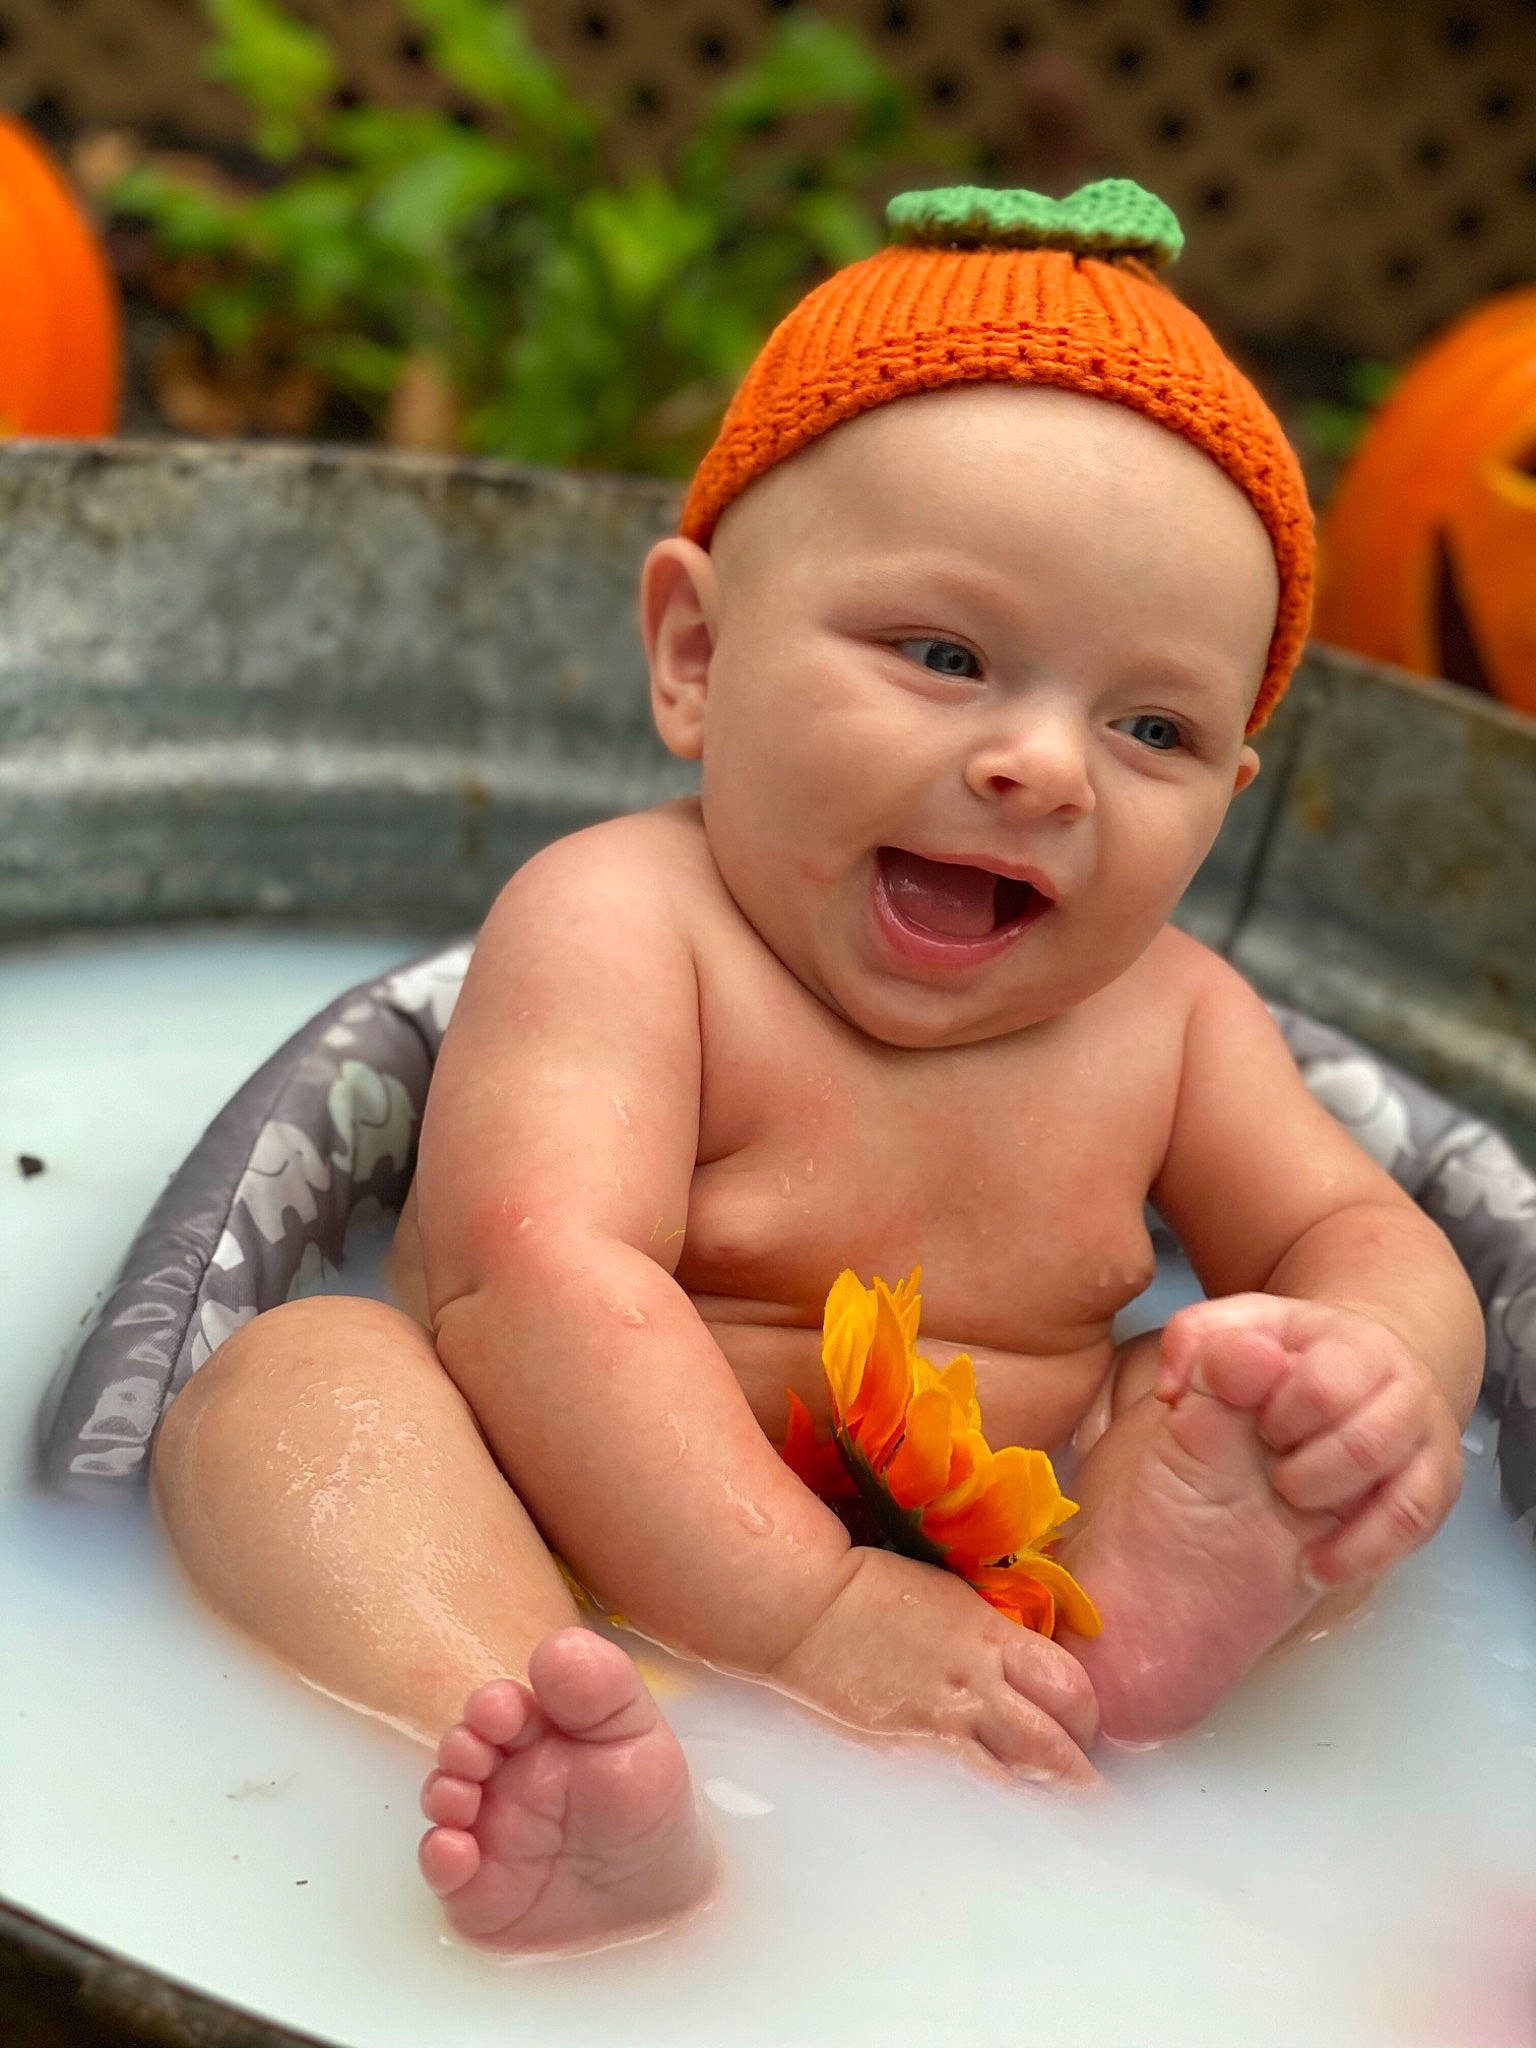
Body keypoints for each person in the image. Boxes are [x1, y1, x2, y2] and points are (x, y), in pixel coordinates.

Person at [149, 181, 1483, 1956]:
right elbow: (533, 1280)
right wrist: (805, 1618)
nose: (1041, 767)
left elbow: (1364, 1233)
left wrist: (1374, 1377)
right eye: (943, 657)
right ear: (697, 657)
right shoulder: (631, 923)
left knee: (1255, 1414)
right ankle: (579, 1745)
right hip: (567, 1550)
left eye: (1150, 728)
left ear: (1229, 797)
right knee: (296, 1397)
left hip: (1004, 1594)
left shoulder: (1173, 1015)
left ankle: (1138, 1637)